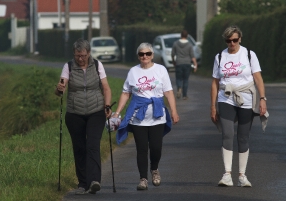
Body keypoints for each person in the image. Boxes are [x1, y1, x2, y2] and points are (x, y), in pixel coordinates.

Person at [112, 43, 179, 190]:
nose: (145, 57)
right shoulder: (133, 71)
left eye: (148, 54)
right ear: (138, 56)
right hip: (138, 117)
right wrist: (117, 113)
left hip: (157, 116)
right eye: (141, 54)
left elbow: (168, 92)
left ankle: (154, 169)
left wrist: (173, 111)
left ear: (152, 55)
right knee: (141, 149)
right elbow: (126, 93)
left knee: (156, 147)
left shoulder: (161, 70)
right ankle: (143, 179)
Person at [210, 25, 269, 187]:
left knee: (243, 137)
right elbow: (215, 83)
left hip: (246, 98)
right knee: (227, 134)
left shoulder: (249, 55)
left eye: (235, 40)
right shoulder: (220, 57)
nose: (232, 44)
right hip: (226, 98)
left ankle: (242, 175)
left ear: (240, 39)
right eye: (228, 41)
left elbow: (258, 78)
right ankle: (227, 174)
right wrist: (213, 106)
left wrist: (262, 98)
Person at [55, 38, 112, 195]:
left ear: (89, 53)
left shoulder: (98, 65)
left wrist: (107, 106)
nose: (80, 59)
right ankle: (83, 183)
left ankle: (94, 181)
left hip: (96, 111)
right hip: (75, 114)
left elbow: (106, 88)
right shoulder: (68, 66)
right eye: (77, 55)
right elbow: (62, 88)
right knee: (79, 147)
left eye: (83, 55)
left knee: (92, 145)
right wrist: (59, 89)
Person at [171, 30, 198, 100]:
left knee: (178, 78)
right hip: (187, 63)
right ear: (187, 36)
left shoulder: (176, 43)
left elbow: (172, 54)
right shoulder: (189, 45)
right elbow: (192, 56)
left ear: (181, 35)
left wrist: (174, 61)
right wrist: (195, 65)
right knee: (186, 79)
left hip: (179, 63)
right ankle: (184, 95)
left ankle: (179, 87)